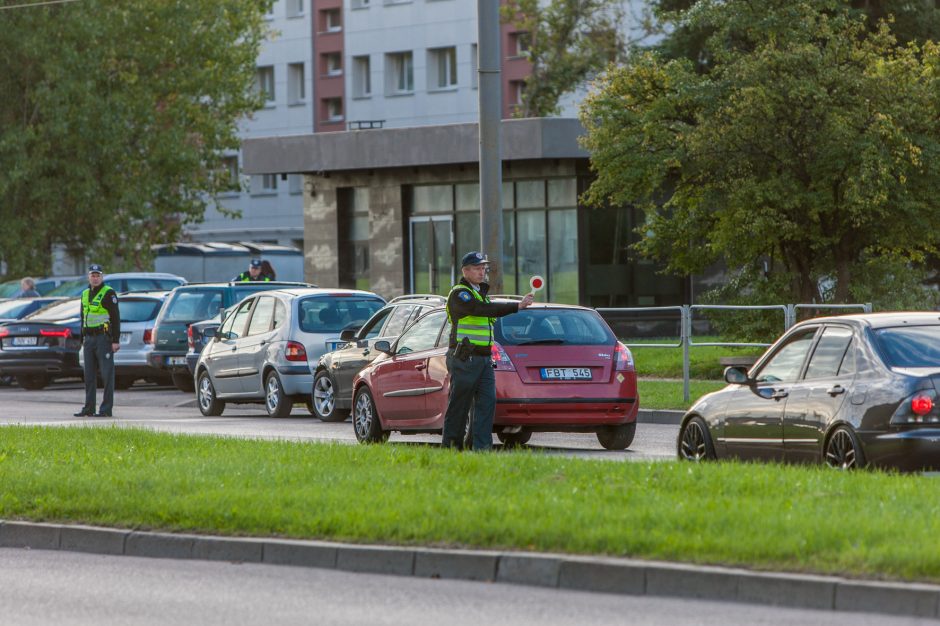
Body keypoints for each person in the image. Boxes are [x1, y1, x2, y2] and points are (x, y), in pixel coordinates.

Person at [441, 251, 533, 451]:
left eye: (483, 268)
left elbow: (486, 312)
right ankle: (451, 448)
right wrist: (517, 306)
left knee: (487, 404)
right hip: (465, 357)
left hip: (484, 359)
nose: (482, 272)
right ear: (465, 271)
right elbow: (480, 310)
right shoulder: (460, 293)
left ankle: (482, 449)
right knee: (460, 405)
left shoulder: (481, 294)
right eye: (477, 268)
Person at [73, 264, 120, 418]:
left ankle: (106, 409)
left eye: (97, 275)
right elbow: (83, 317)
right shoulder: (85, 293)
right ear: (89, 277)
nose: (95, 278)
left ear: (102, 277)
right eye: (92, 275)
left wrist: (115, 340)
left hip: (103, 338)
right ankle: (89, 408)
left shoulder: (108, 293)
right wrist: (81, 339)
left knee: (107, 375)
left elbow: (115, 318)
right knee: (89, 376)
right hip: (89, 339)